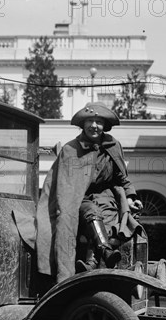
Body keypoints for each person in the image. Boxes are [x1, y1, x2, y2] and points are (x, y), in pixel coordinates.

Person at [36, 102, 143, 283]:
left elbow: (122, 178)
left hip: (107, 199)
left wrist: (131, 197)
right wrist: (67, 209)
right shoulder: (70, 150)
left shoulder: (113, 146)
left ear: (105, 125)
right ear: (83, 124)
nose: (94, 126)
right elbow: (66, 190)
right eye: (90, 121)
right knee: (90, 213)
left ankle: (93, 261)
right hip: (79, 201)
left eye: (99, 121)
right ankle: (103, 253)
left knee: (109, 217)